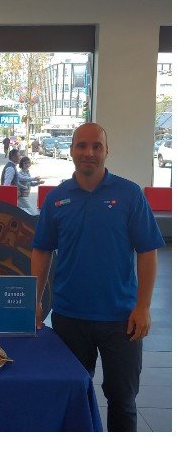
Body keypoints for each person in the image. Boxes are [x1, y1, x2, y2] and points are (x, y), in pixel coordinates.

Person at [32, 124, 164, 431]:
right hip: (69, 317)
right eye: (81, 146)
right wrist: (34, 301)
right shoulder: (57, 198)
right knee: (72, 395)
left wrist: (143, 307)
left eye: (96, 146)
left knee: (122, 400)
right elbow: (42, 251)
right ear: (72, 150)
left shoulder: (129, 194)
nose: (88, 153)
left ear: (106, 151)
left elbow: (148, 251)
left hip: (122, 319)